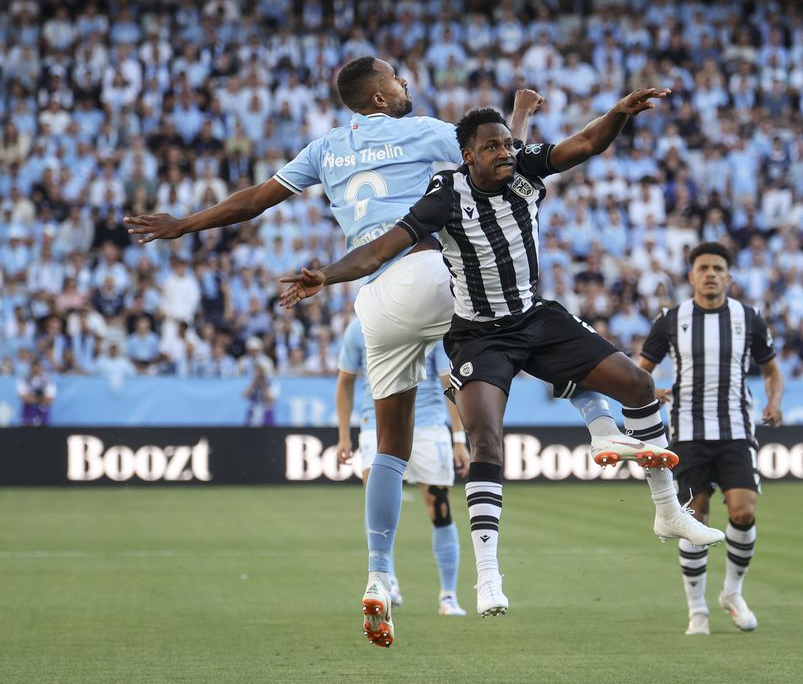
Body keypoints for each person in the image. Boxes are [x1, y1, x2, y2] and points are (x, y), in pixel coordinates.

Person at [127, 60, 673, 646]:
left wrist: (184, 224)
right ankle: (599, 425)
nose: (408, 86)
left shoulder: (323, 149)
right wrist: (520, 113)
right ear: (382, 96)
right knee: (525, 316)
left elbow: (254, 201)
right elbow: (495, 154)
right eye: (399, 80)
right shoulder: (418, 131)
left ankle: (378, 575)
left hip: (374, 301)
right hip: (426, 269)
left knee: (390, 445)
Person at [279, 92, 725, 617]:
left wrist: (619, 114)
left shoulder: (524, 169)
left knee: (640, 386)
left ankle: (667, 509)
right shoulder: (444, 195)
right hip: (478, 335)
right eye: (492, 147)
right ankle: (487, 578)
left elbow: (584, 144)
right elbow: (382, 249)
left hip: (536, 318)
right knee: (486, 441)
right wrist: (325, 275)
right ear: (467, 155)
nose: (505, 152)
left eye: (508, 143)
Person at [637, 243, 785, 636]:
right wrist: (651, 390)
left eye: (718, 268)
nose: (710, 274)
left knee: (744, 511)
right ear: (691, 276)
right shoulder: (671, 320)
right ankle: (697, 610)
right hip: (687, 432)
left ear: (729, 277)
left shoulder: (748, 318)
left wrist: (774, 402)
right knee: (693, 518)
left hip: (736, 428)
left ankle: (732, 594)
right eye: (703, 267)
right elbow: (640, 370)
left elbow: (772, 371)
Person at [336, 318, 469, 617]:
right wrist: (343, 435)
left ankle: (448, 596)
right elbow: (345, 380)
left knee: (440, 509)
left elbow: (448, 382)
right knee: (376, 506)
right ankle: (388, 582)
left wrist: (458, 438)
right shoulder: (360, 327)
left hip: (429, 425)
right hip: (375, 426)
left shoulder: (430, 322)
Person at [17, 358, 56, 426]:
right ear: (30, 368)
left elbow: (49, 400)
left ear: (40, 367)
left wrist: (32, 397)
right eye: (33, 367)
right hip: (28, 414)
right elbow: (24, 398)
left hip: (43, 415)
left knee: (44, 435)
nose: (35, 369)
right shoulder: (24, 379)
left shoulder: (48, 380)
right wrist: (41, 398)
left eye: (37, 367)